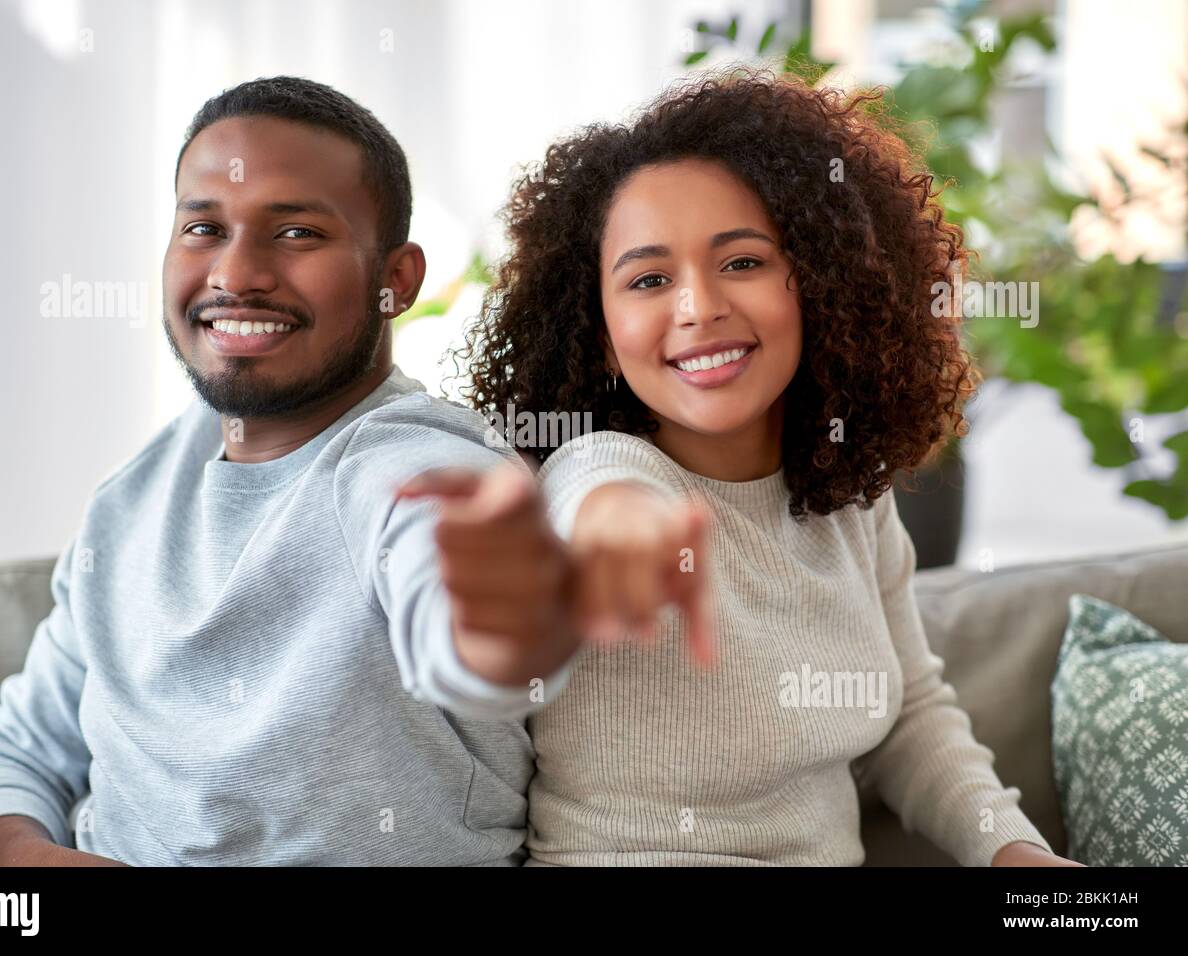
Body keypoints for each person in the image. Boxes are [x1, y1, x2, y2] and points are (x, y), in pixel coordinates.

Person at [449, 68, 1083, 866]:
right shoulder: (597, 466)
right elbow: (605, 505)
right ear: (601, 335)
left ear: (819, 282)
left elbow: (913, 716)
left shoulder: (853, 500)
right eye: (649, 280)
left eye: (742, 262)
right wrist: (628, 537)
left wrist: (1015, 854)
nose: (697, 307)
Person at [0, 76, 576, 867]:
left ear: (397, 280)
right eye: (204, 227)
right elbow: (15, 755)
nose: (236, 273)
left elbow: (466, 612)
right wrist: (25, 862)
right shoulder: (130, 502)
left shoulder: (420, 467)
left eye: (299, 233)